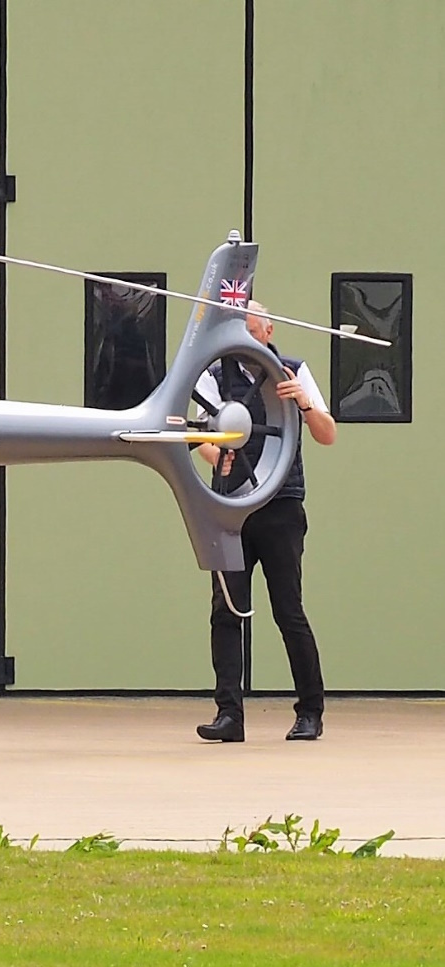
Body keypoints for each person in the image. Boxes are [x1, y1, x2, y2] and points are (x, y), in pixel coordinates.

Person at [195, 301, 334, 743]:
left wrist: (306, 404)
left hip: (282, 506)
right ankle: (229, 715)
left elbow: (327, 433)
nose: (247, 325)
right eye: (237, 319)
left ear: (269, 328)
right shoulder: (212, 376)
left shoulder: (292, 370)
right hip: (232, 507)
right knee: (226, 611)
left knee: (288, 610)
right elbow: (203, 438)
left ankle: (310, 712)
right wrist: (223, 458)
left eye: (253, 319)